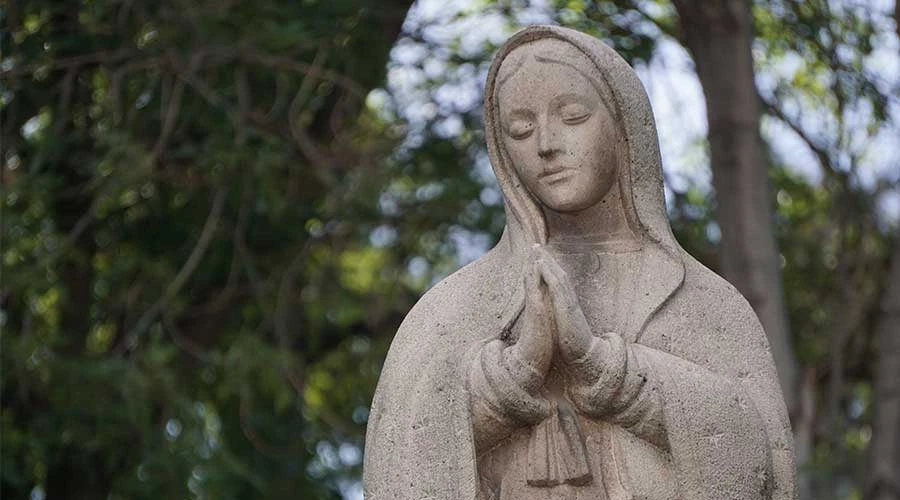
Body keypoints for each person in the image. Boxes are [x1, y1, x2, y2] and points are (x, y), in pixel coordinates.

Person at [364, 25, 796, 500]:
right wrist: (515, 373)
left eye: (572, 116)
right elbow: (400, 452)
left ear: (623, 125)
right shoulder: (452, 310)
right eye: (520, 129)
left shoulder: (707, 304)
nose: (546, 143)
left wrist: (605, 367)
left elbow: (760, 459)